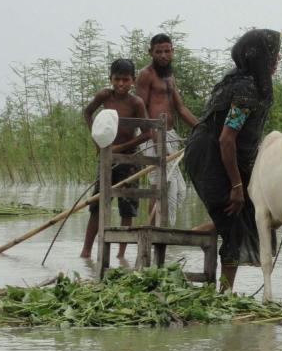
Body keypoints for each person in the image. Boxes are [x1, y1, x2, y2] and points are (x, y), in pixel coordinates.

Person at [185, 29, 281, 292]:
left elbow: (241, 136)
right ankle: (224, 295)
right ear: (261, 57)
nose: (278, 59)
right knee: (233, 222)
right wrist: (237, 186)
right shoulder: (245, 89)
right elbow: (227, 139)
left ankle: (205, 231)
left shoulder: (251, 83)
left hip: (227, 154)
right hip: (209, 156)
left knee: (261, 211)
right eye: (274, 54)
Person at [80, 59, 151, 259]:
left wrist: (119, 148)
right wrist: (97, 142)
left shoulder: (136, 102)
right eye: (117, 79)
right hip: (106, 159)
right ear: (110, 79)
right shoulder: (105, 95)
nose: (120, 84)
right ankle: (86, 251)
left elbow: (147, 134)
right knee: (97, 205)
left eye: (125, 80)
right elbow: (87, 112)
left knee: (127, 208)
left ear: (133, 81)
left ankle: (120, 255)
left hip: (129, 159)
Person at [136, 34, 198, 226]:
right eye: (158, 51)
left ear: (172, 51)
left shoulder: (169, 76)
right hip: (151, 135)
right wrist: (153, 135)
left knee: (176, 187)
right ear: (150, 53)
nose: (163, 55)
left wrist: (201, 128)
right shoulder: (146, 74)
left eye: (167, 51)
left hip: (168, 135)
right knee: (159, 184)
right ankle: (153, 231)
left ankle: (162, 229)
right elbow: (141, 108)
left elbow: (181, 108)